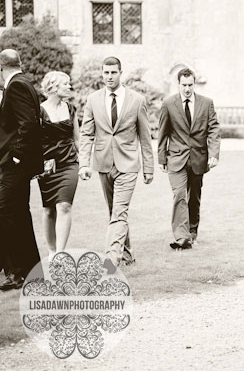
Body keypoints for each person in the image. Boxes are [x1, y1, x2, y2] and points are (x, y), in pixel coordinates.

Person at [79, 56, 154, 266]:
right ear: (102, 74)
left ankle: (111, 259)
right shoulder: (93, 100)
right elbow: (86, 134)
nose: (109, 76)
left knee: (119, 212)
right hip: (103, 163)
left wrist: (148, 168)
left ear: (121, 73)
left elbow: (145, 138)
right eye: (106, 73)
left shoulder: (136, 100)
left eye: (113, 72)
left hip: (128, 164)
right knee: (114, 212)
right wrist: (84, 163)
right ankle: (128, 253)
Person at [158, 68, 220, 249]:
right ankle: (181, 237)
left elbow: (214, 129)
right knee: (179, 195)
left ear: (194, 84)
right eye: (184, 85)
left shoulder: (206, 103)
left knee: (194, 198)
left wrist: (214, 154)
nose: (187, 89)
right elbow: (163, 133)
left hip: (198, 159)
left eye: (190, 85)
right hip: (176, 158)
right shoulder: (168, 104)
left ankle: (192, 232)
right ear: (178, 84)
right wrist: (162, 158)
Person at [0, 49, 43, 290]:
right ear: (20, 62)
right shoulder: (24, 82)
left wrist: (16, 156)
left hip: (15, 164)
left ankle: (15, 271)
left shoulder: (15, 86)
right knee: (19, 214)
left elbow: (28, 124)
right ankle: (31, 272)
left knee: (5, 212)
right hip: (19, 164)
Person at [38, 71, 79, 261]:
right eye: (66, 84)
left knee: (64, 205)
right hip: (47, 167)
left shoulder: (71, 109)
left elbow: (77, 138)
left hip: (69, 163)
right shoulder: (38, 111)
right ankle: (52, 251)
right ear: (54, 87)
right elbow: (33, 141)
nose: (69, 87)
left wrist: (84, 164)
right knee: (48, 209)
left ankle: (61, 253)